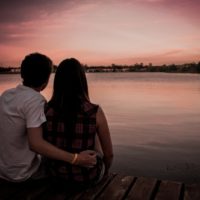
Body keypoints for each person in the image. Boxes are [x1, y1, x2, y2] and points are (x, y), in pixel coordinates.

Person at [0, 53, 96, 182]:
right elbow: (36, 144)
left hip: (3, 170)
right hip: (23, 174)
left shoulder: (6, 95)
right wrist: (76, 159)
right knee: (56, 165)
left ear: (22, 75)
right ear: (46, 81)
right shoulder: (36, 101)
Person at [43, 58, 113, 185]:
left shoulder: (46, 109)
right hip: (86, 179)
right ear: (82, 81)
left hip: (55, 176)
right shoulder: (94, 111)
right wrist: (106, 172)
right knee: (94, 129)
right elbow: (109, 154)